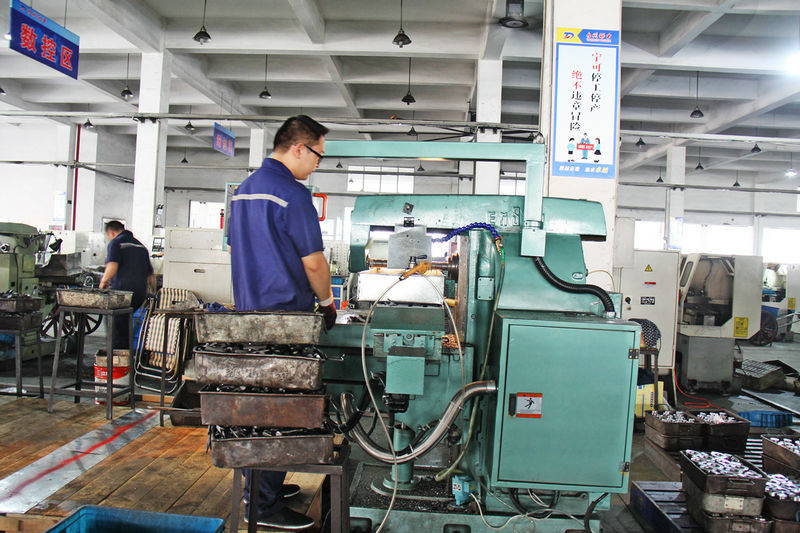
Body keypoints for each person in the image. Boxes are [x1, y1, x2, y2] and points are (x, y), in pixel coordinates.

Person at [227, 115, 337, 530]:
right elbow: (314, 262)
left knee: (259, 407)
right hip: (286, 320)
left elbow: (240, 250)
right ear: (298, 147)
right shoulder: (293, 194)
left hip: (248, 316)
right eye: (318, 156)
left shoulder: (243, 191)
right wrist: (327, 303)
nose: (317, 164)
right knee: (282, 410)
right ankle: (263, 507)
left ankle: (258, 487)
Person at [99, 221, 154, 349]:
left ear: (111, 233)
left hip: (122, 293)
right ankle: (126, 354)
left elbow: (112, 266)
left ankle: (116, 357)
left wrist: (103, 281)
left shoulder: (116, 243)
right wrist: (150, 291)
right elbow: (151, 275)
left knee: (114, 323)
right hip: (139, 295)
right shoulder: (141, 246)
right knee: (125, 323)